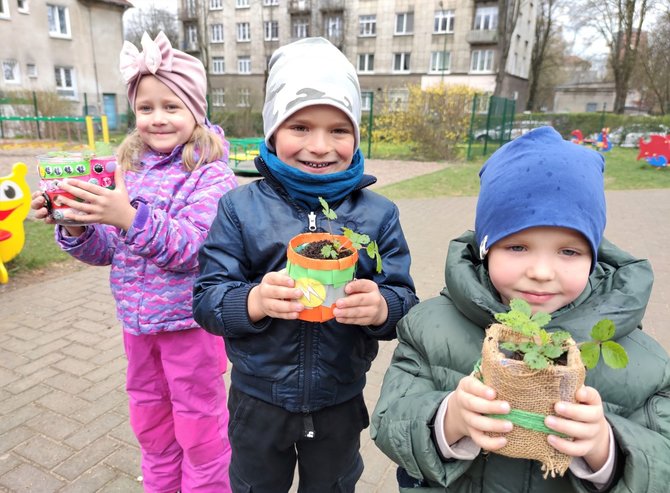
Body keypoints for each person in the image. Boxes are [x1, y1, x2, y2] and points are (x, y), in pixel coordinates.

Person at [371, 126, 670, 492]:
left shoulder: (647, 365)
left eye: (569, 251)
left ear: (592, 258)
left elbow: (662, 462)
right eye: (517, 247)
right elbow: (388, 422)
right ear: (486, 249)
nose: (541, 272)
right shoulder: (429, 328)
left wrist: (607, 449)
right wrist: (449, 420)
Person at [192, 37, 419, 493]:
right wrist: (253, 300)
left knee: (334, 485)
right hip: (259, 400)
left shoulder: (377, 214)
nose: (320, 146)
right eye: (300, 127)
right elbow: (207, 298)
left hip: (339, 397)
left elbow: (404, 298)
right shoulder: (239, 208)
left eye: (339, 129)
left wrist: (382, 309)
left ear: (356, 134)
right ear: (273, 130)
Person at [30, 31, 237, 493]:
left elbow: (195, 249)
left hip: (190, 326)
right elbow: (108, 249)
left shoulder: (211, 175)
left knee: (199, 427)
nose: (157, 119)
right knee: (150, 422)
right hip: (138, 326)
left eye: (171, 106)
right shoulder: (129, 168)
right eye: (146, 108)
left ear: (196, 111)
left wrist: (127, 215)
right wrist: (78, 225)